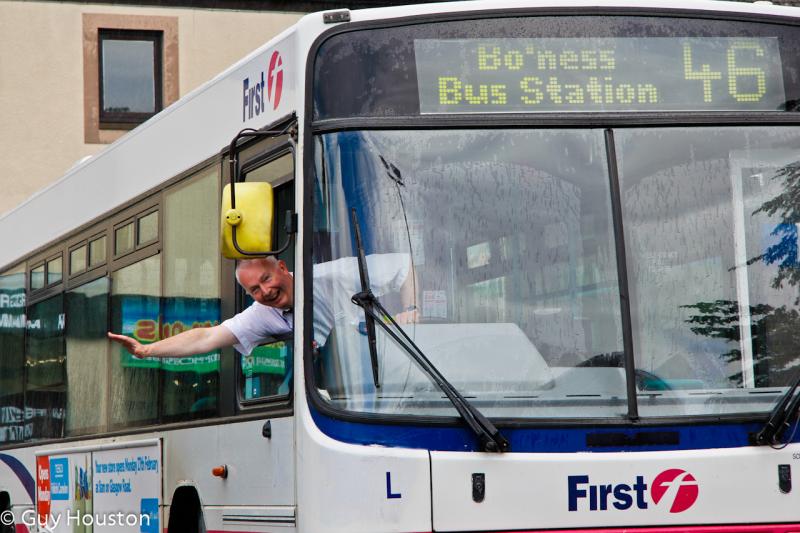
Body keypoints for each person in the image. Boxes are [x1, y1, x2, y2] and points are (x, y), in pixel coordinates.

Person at [108, 254, 416, 359]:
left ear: (283, 267)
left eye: (267, 278)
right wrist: (146, 350)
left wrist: (414, 311)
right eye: (254, 289)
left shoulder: (331, 274)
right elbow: (206, 337)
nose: (266, 291)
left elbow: (406, 267)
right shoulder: (262, 314)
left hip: (391, 362)